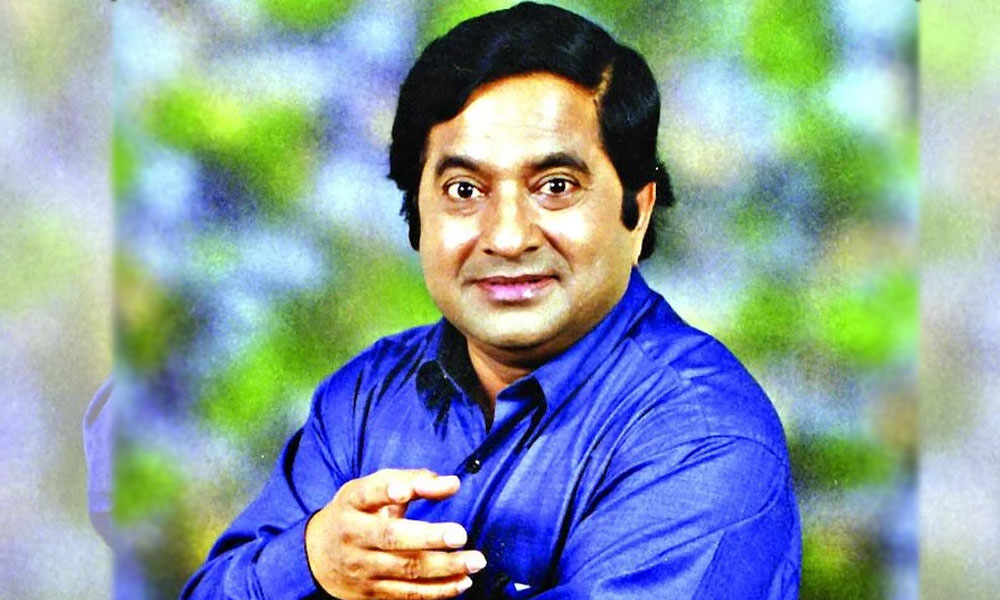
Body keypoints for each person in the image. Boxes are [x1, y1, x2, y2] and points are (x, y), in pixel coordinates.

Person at [182, 3, 801, 599]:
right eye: (463, 189)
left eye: (555, 186)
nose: (507, 237)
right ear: (417, 215)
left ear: (636, 210)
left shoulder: (705, 437)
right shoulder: (365, 397)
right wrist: (315, 557)